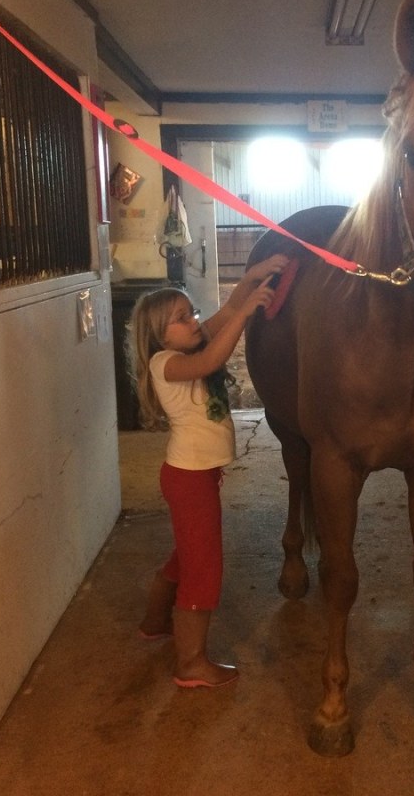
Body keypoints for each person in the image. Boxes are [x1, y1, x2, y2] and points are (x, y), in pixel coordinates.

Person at [128, 254, 288, 688]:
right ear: (159, 335)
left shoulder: (191, 343)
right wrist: (247, 313)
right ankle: (191, 663)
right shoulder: (166, 363)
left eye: (192, 312)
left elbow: (228, 309)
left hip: (198, 475)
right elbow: (212, 360)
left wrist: (253, 277)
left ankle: (155, 621)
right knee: (204, 570)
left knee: (187, 555)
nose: (194, 321)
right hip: (188, 478)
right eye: (181, 319)